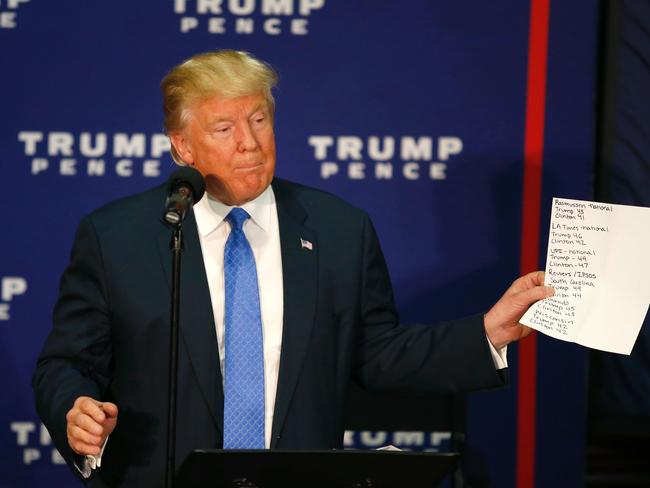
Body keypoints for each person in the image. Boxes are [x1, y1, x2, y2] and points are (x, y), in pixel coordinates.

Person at [33, 50, 552, 487]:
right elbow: (65, 364)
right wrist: (74, 409)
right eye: (224, 127)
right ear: (182, 146)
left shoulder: (338, 230)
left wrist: (487, 333)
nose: (249, 142)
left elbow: (379, 355)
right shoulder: (117, 237)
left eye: (259, 119)